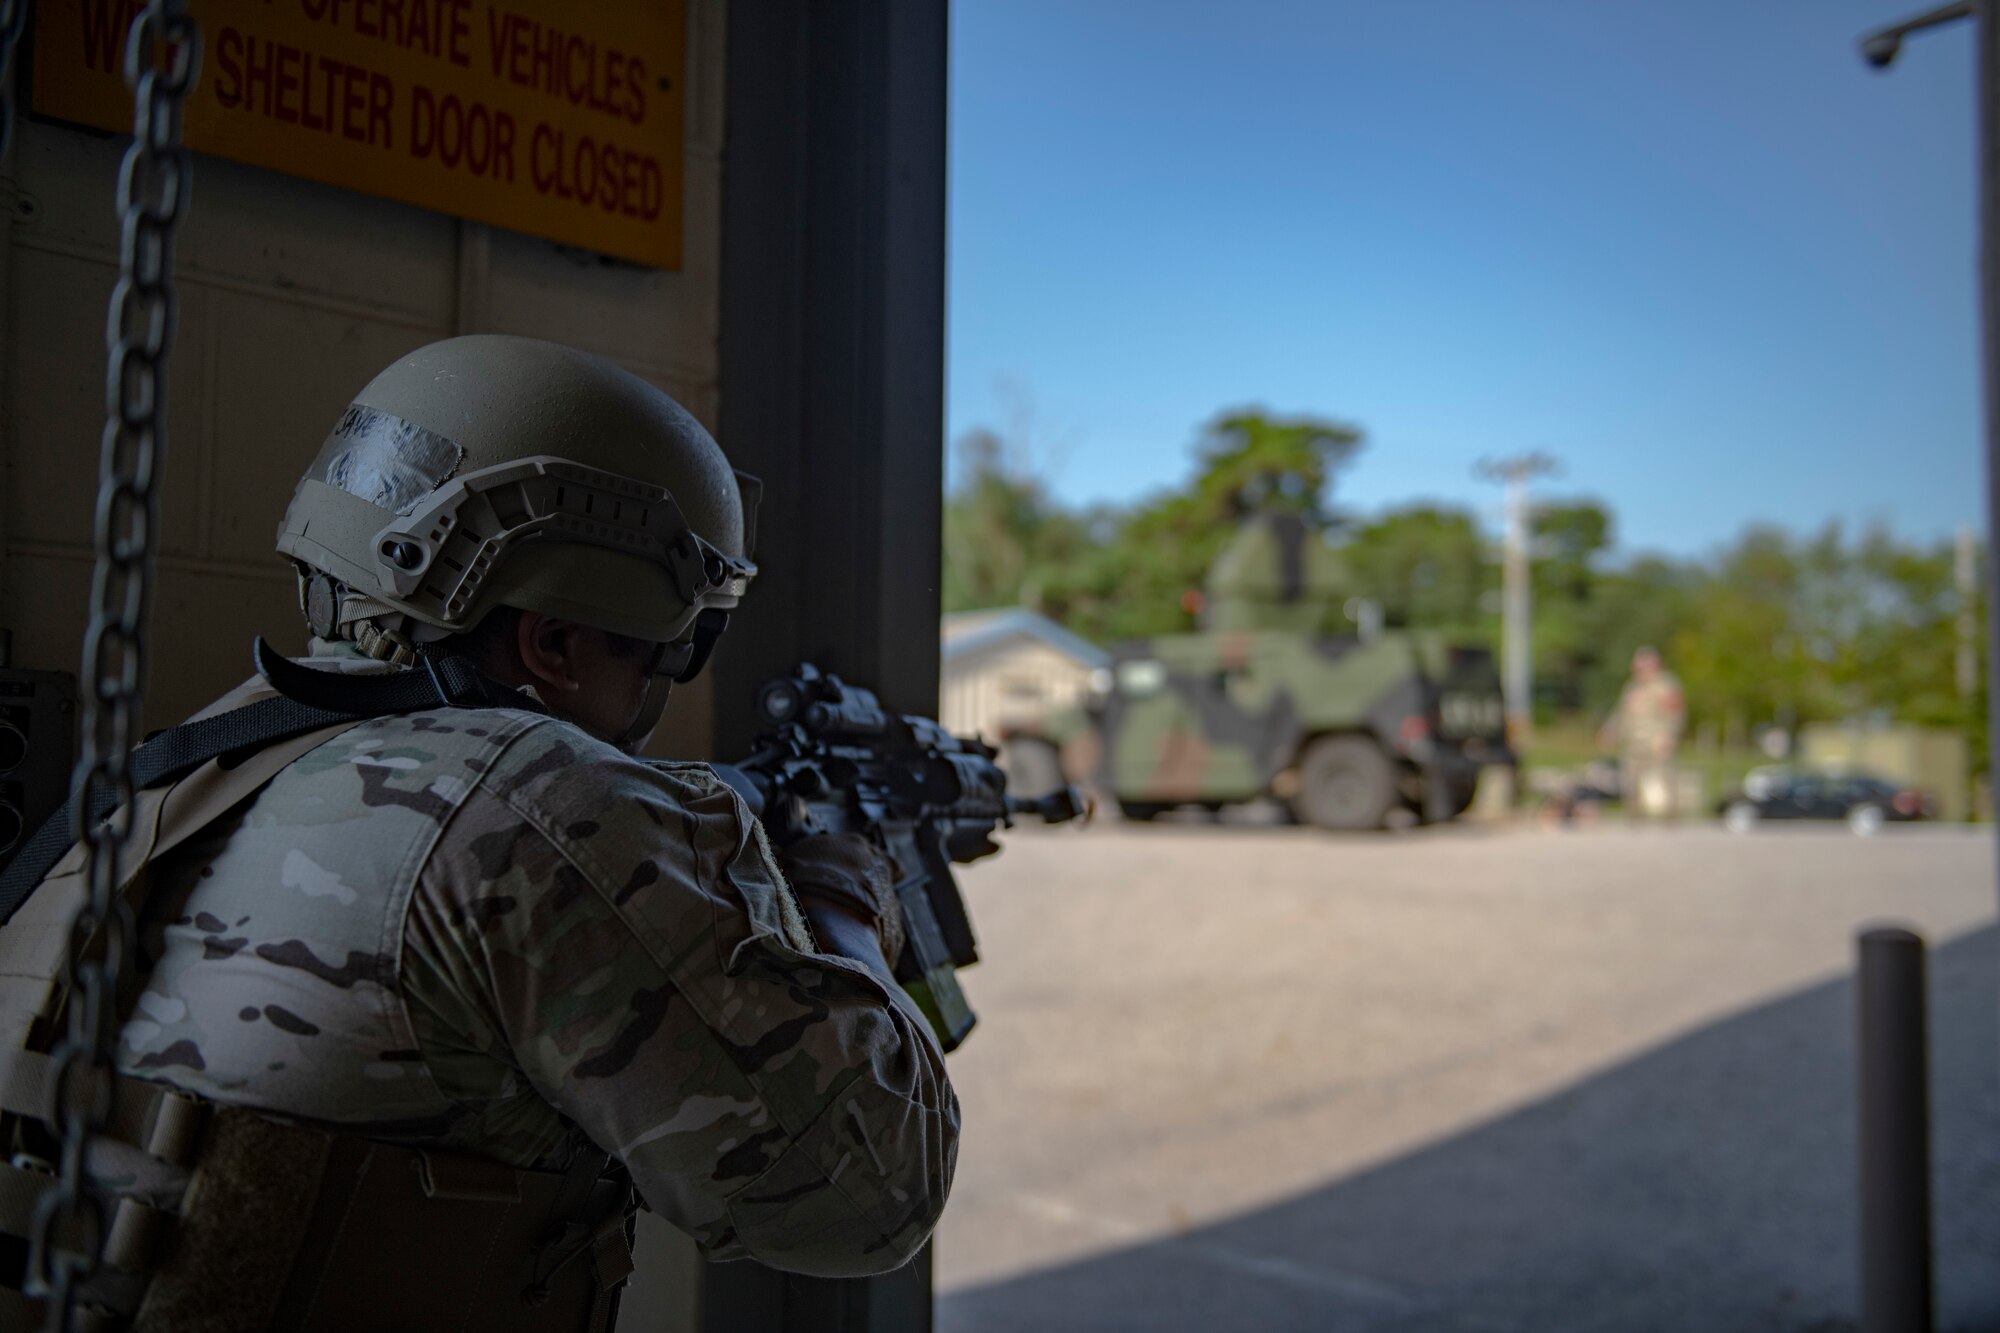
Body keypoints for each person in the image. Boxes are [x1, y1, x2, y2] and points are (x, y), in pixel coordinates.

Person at [0, 336, 956, 1330]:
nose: (654, 704)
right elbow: (868, 1198)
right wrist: (845, 902)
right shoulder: (539, 802)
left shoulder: (168, 776)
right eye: (669, 655)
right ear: (552, 641)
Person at [1599, 645, 1686, 820]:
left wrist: (1669, 735)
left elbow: (1676, 712)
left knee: (1665, 776)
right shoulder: (1633, 687)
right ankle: (1634, 814)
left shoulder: (1666, 685)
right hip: (1633, 740)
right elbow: (1621, 711)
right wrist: (1611, 729)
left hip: (1656, 738)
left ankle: (1671, 815)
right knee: (1631, 778)